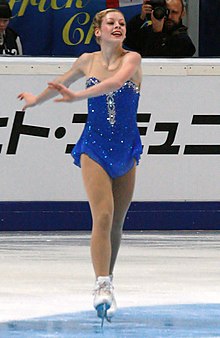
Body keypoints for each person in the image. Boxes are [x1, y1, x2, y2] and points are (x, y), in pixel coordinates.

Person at [18, 8, 142, 324]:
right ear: (98, 31)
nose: (118, 26)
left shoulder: (133, 59)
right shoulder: (87, 60)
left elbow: (113, 83)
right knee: (102, 214)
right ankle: (101, 283)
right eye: (111, 22)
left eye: (122, 23)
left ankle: (108, 280)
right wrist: (37, 100)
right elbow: (61, 82)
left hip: (126, 147)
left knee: (117, 222)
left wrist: (78, 96)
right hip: (95, 147)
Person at [124, 0, 196, 57]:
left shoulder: (183, 41)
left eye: (174, 12)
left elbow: (157, 64)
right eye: (166, 11)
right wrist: (141, 17)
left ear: (182, 13)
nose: (169, 16)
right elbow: (127, 40)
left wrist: (157, 33)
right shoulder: (150, 31)